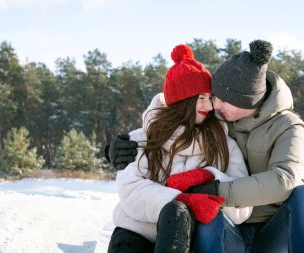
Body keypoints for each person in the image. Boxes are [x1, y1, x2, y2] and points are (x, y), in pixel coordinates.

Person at [106, 39, 304, 253]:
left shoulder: (283, 127)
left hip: (268, 229)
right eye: (211, 97)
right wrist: (111, 149)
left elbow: (285, 179)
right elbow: (174, 105)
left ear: (246, 101)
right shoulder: (218, 118)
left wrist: (213, 185)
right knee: (206, 215)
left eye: (220, 99)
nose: (213, 105)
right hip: (215, 229)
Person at [107, 44, 252, 253]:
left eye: (209, 97)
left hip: (186, 240)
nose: (209, 106)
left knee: (177, 214)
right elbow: (130, 191)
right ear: (182, 101)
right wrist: (180, 199)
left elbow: (244, 205)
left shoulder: (223, 144)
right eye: (200, 98)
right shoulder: (142, 138)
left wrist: (206, 177)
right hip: (135, 231)